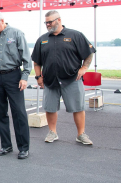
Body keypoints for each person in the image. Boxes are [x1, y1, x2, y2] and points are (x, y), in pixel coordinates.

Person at [31, 10, 95, 145]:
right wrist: (38, 77)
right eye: (46, 22)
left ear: (59, 20)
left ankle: (81, 134)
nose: (47, 25)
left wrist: (84, 68)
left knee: (78, 107)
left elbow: (89, 53)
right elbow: (36, 61)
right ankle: (52, 132)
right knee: (50, 108)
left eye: (50, 22)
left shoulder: (75, 35)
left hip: (72, 79)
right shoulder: (42, 39)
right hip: (50, 81)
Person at [0, 11, 32, 160]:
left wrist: (24, 77)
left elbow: (26, 58)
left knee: (19, 112)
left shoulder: (17, 34)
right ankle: (6, 145)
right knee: (0, 112)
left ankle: (23, 147)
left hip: (13, 76)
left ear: (2, 20)